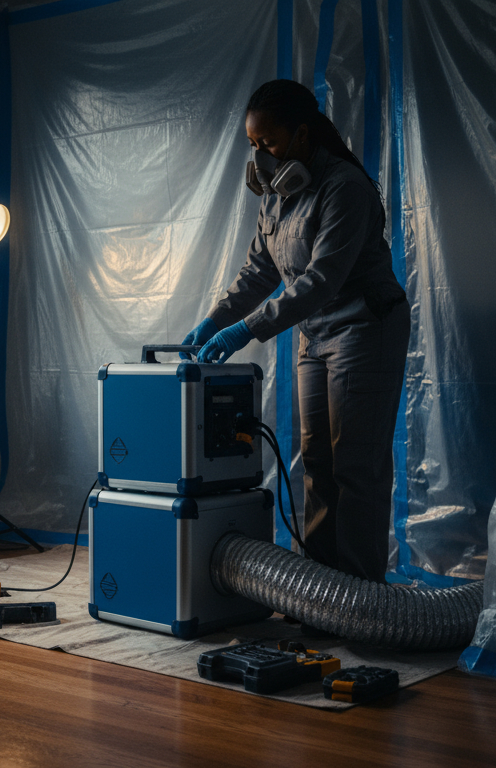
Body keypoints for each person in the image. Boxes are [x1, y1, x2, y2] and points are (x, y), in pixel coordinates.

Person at [183, 79, 408, 583]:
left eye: (269, 143)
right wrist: (215, 320)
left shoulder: (344, 188)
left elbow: (319, 281)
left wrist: (245, 330)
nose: (260, 156)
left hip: (363, 329)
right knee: (318, 465)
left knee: (356, 466)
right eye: (253, 146)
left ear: (303, 135)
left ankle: (360, 597)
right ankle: (324, 591)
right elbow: (259, 272)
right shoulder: (279, 192)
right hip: (316, 334)